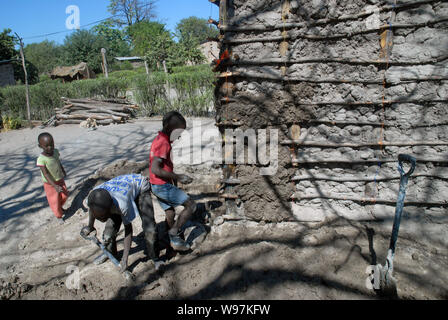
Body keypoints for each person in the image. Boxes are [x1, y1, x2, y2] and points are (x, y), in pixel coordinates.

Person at [80, 174, 158, 272]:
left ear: (110, 209)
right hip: (119, 192)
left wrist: (125, 258)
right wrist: (90, 226)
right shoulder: (92, 199)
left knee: (150, 229)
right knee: (108, 235)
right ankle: (112, 254)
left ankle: (154, 257)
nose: (101, 220)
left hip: (140, 185)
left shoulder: (122, 205)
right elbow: (92, 210)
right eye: (99, 217)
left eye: (103, 217)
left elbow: (128, 230)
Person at [149, 111, 196, 252]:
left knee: (170, 213)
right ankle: (174, 233)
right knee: (191, 205)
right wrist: (178, 176)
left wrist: (173, 180)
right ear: (169, 127)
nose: (180, 135)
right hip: (162, 186)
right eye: (178, 131)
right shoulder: (163, 143)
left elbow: (163, 167)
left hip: (157, 184)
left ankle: (170, 241)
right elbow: (155, 169)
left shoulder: (160, 139)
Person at [37, 132, 69, 223]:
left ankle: (59, 208)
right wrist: (54, 186)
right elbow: (46, 174)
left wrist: (62, 169)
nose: (50, 147)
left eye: (52, 144)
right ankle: (58, 215)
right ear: (40, 146)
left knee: (65, 195)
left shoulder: (55, 151)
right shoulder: (41, 159)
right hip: (50, 184)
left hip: (59, 179)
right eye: (46, 146)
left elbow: (58, 161)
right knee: (54, 200)